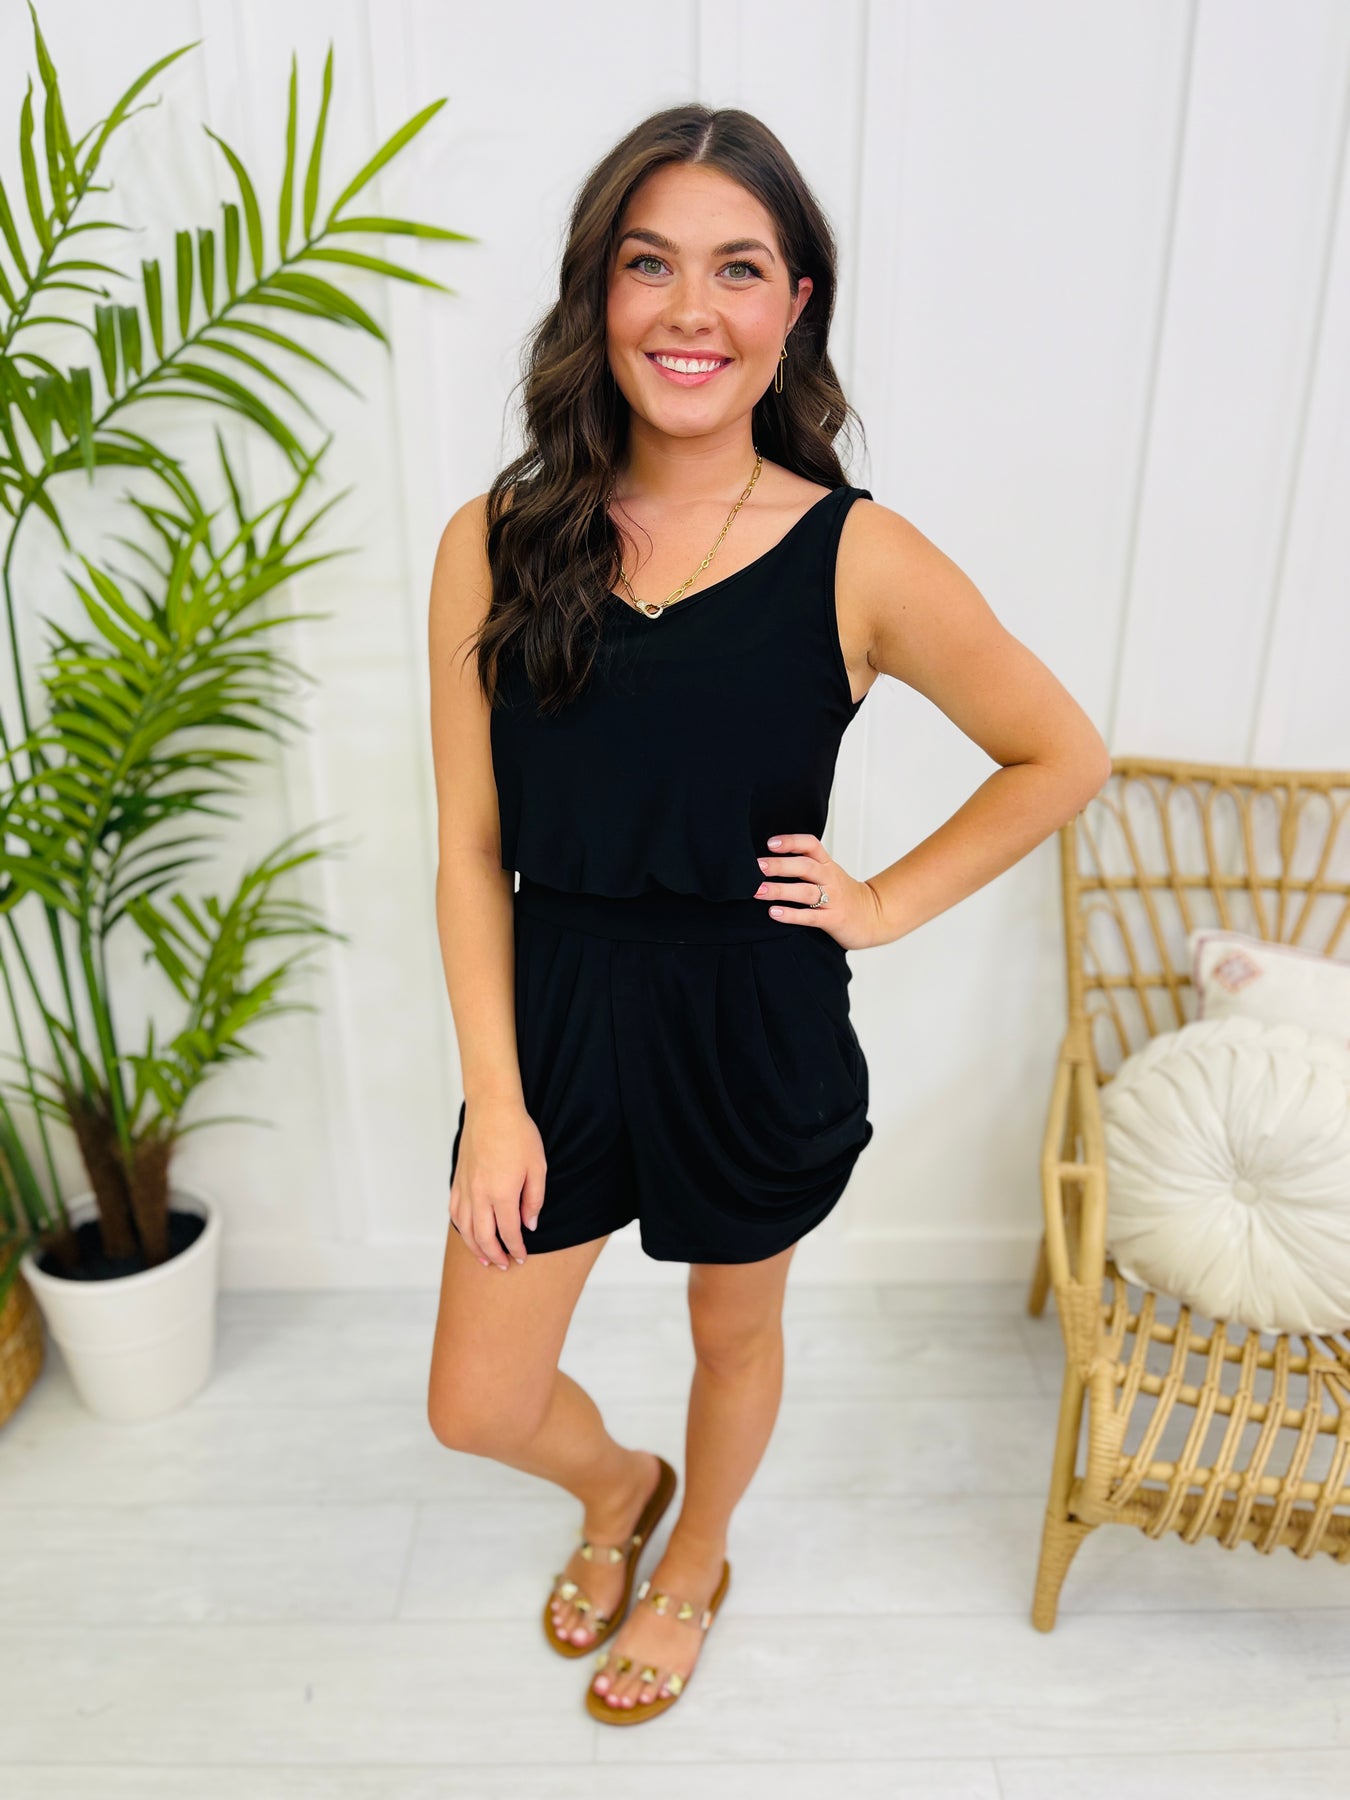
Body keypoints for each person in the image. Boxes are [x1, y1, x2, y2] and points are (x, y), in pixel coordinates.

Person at [425, 103, 1111, 1726]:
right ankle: (621, 1486)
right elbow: (465, 849)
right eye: (649, 264)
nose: (691, 309)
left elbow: (1059, 754)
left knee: (733, 1329)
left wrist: (881, 901)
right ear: (597, 292)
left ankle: (694, 1557)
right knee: (475, 1401)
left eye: (738, 269)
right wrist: (496, 1106)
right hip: (556, 1018)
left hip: (749, 1017)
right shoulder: (497, 540)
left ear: (794, 303)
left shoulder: (856, 555)